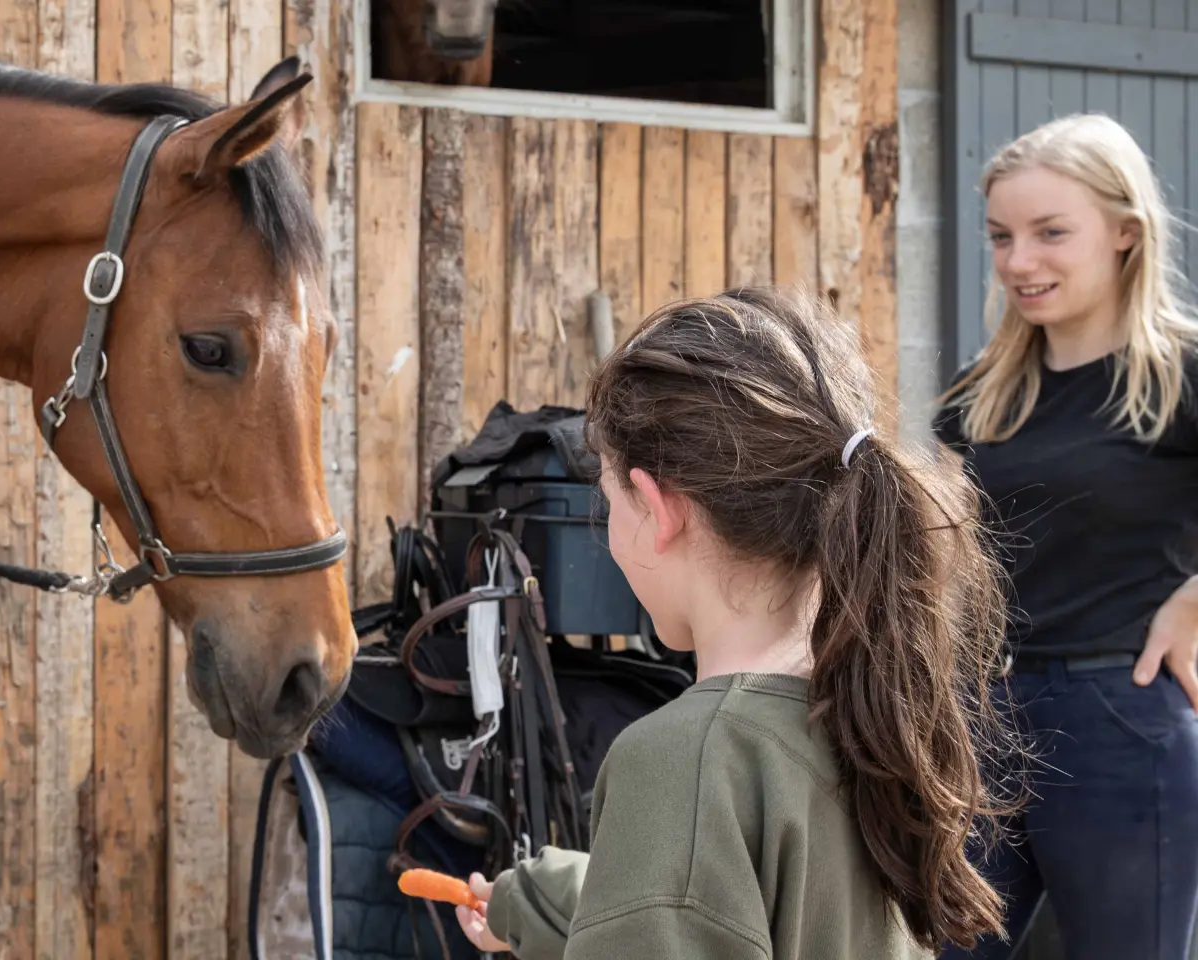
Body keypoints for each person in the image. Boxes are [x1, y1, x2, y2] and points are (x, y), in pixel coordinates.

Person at [453, 286, 1020, 958]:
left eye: (609, 505)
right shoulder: (870, 719)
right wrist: (539, 904)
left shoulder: (686, 761)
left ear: (660, 511)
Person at [930, 112, 1198, 960]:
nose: (1018, 262)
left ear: (1125, 233)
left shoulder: (1181, 377)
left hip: (1123, 719)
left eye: (1050, 233)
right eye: (1002, 237)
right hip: (986, 720)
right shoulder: (983, 397)